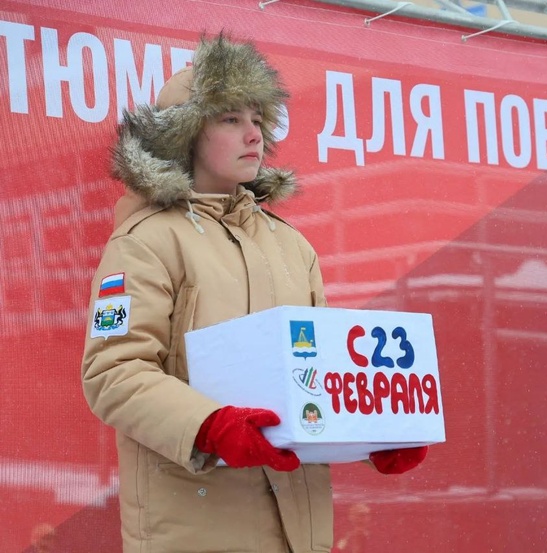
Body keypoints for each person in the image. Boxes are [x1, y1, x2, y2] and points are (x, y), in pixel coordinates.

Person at [81, 34, 427, 553]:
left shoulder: (293, 246)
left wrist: (374, 435)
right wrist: (211, 426)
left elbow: (317, 379)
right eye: (230, 119)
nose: (253, 134)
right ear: (186, 132)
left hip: (297, 530)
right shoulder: (145, 242)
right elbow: (113, 374)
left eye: (258, 119)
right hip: (194, 528)